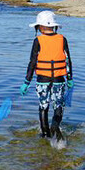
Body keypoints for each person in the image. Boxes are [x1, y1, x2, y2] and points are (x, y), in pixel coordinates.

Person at [21, 10, 73, 140]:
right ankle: (55, 126)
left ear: (41, 27)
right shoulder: (62, 39)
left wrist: (26, 82)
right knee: (58, 105)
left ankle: (45, 134)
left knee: (43, 106)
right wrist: (70, 78)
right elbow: (67, 60)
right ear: (53, 26)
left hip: (43, 80)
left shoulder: (37, 40)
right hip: (59, 79)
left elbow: (32, 62)